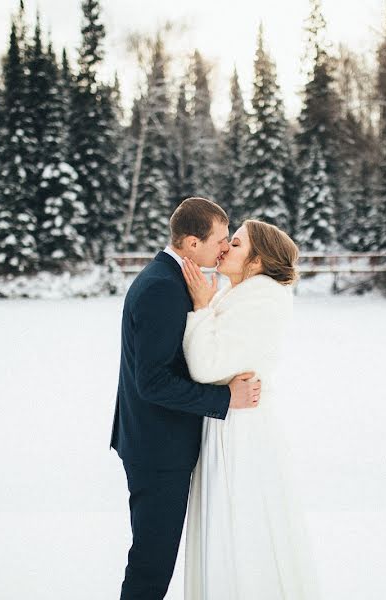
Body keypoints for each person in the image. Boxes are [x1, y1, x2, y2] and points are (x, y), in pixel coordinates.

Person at [110, 197, 262, 599]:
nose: (225, 248)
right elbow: (154, 382)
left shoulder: (173, 280)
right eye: (220, 240)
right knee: (151, 563)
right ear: (192, 244)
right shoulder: (161, 287)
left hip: (157, 443)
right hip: (157, 449)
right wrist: (225, 398)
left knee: (154, 558)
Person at [180, 219, 320, 599]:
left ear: (256, 262)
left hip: (240, 431)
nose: (224, 248)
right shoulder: (239, 293)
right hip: (229, 420)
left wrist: (200, 308)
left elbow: (207, 366)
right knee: (230, 524)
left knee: (241, 525)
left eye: (236, 244)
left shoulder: (260, 298)